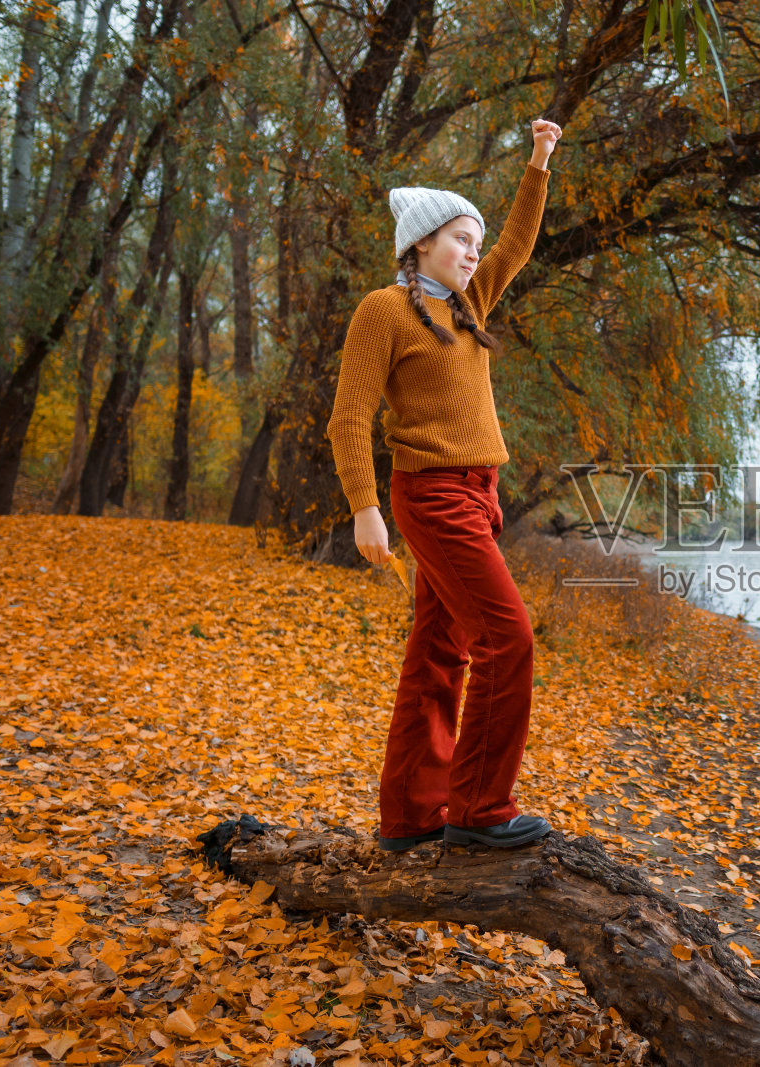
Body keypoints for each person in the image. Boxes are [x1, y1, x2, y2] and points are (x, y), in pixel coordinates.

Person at [327, 118, 564, 851]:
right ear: (421, 243)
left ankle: (408, 819)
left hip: (479, 492)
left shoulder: (469, 306)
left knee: (440, 652)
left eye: (474, 240)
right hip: (429, 494)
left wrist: (538, 162)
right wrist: (365, 509)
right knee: (508, 637)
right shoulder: (385, 309)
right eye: (462, 237)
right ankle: (480, 807)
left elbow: (517, 245)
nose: (473, 250)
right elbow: (348, 417)